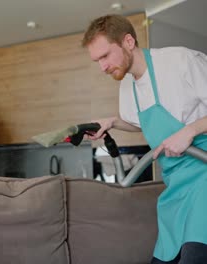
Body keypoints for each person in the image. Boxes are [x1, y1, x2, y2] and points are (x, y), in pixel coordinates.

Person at [81, 14, 207, 264]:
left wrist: (190, 131)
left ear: (128, 41)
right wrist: (113, 122)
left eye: (105, 56)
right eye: (97, 61)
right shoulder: (127, 86)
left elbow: (182, 128)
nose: (102, 67)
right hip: (175, 185)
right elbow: (144, 122)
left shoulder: (180, 61)